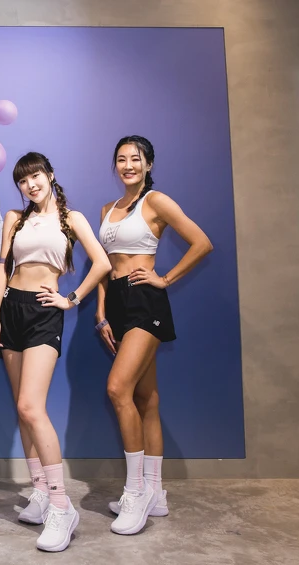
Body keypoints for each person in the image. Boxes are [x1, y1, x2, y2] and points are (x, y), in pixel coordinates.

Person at [0, 152, 110, 552]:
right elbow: (3, 268)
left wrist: (70, 299)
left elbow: (102, 263)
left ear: (50, 175)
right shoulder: (14, 218)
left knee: (31, 406)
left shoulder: (72, 219)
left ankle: (61, 505)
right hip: (11, 309)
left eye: (36, 176)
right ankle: (39, 490)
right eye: (23, 181)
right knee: (21, 409)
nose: (30, 185)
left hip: (44, 312)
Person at [97, 135, 213, 535]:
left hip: (145, 301)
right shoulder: (107, 209)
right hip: (117, 303)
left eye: (136, 159)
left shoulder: (156, 201)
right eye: (121, 159)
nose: (128, 165)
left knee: (118, 389)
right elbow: (105, 265)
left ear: (148, 164)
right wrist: (101, 312)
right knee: (146, 398)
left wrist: (165, 278)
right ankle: (156, 492)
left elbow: (202, 243)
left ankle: (136, 493)